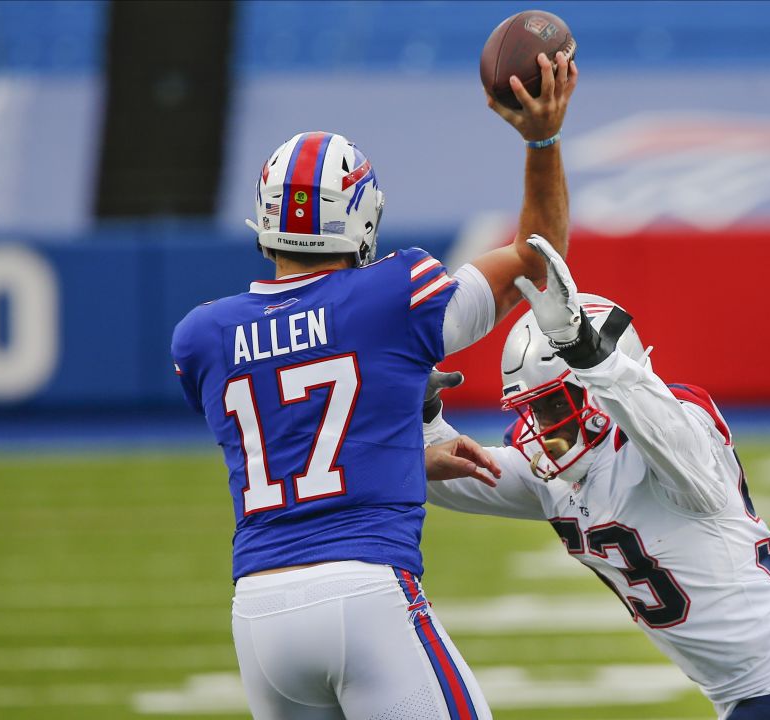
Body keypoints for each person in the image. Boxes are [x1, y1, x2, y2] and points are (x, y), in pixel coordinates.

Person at [170, 52, 577, 720]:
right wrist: (542, 139)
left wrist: (401, 454)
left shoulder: (202, 337)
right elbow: (540, 259)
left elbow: (289, 445)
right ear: (360, 214)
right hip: (366, 593)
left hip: (260, 612)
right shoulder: (397, 293)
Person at [424, 237, 770, 719]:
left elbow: (670, 440)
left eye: (550, 405)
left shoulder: (673, 434)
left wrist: (595, 360)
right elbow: (443, 474)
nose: (542, 427)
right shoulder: (552, 471)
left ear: (593, 384)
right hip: (752, 685)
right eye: (532, 409)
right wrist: (423, 414)